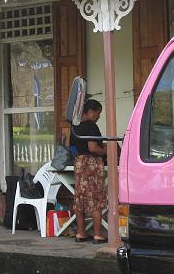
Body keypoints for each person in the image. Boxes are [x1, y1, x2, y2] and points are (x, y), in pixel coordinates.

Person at [70, 99, 107, 244]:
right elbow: (93, 148)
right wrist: (105, 151)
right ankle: (98, 235)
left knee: (80, 199)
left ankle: (81, 233)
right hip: (91, 164)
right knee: (95, 199)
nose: (98, 117)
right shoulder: (92, 126)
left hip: (79, 162)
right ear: (91, 112)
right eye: (98, 113)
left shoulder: (75, 126)